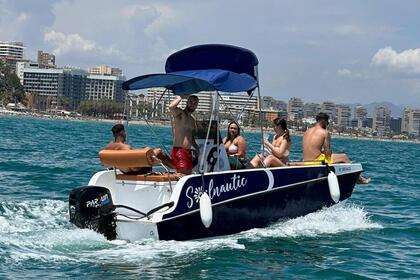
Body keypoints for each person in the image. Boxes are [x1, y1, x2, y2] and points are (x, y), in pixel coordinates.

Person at [302, 112, 371, 184]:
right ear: (323, 121)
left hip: (306, 161)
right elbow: (328, 154)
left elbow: (312, 149)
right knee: (344, 157)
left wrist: (321, 152)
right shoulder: (324, 132)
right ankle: (360, 179)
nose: (327, 124)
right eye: (327, 122)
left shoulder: (307, 131)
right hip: (316, 161)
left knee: (340, 160)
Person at [104, 124, 173, 174]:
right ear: (123, 133)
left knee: (146, 149)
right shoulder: (125, 147)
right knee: (159, 151)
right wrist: (149, 161)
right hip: (135, 172)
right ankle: (176, 168)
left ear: (114, 135)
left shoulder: (108, 147)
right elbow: (134, 167)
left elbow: (108, 165)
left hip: (124, 171)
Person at [168, 95, 200, 174]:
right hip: (179, 150)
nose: (193, 104)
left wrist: (196, 146)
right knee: (183, 173)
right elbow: (171, 107)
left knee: (188, 173)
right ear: (187, 102)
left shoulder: (192, 119)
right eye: (191, 102)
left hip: (188, 152)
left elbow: (190, 135)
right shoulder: (180, 114)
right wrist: (181, 97)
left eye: (195, 103)